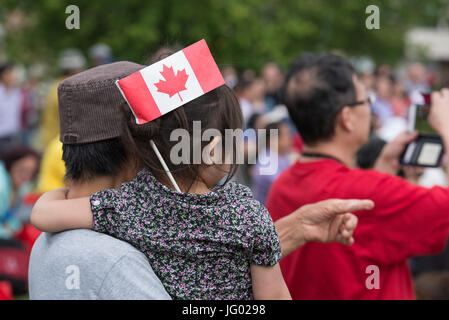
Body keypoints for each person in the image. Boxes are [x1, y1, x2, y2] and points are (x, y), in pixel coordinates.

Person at [30, 61, 372, 300]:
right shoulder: (112, 260)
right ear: (136, 150)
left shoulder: (107, 217)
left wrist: (287, 232)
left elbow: (202, 248)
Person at [266, 52, 449, 300]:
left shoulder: (282, 185)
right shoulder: (371, 193)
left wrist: (381, 168)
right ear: (346, 118)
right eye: (367, 101)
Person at [0, 63, 22, 157]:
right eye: (10, 74)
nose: (13, 77)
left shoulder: (16, 92)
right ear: (3, 75)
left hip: (14, 135)